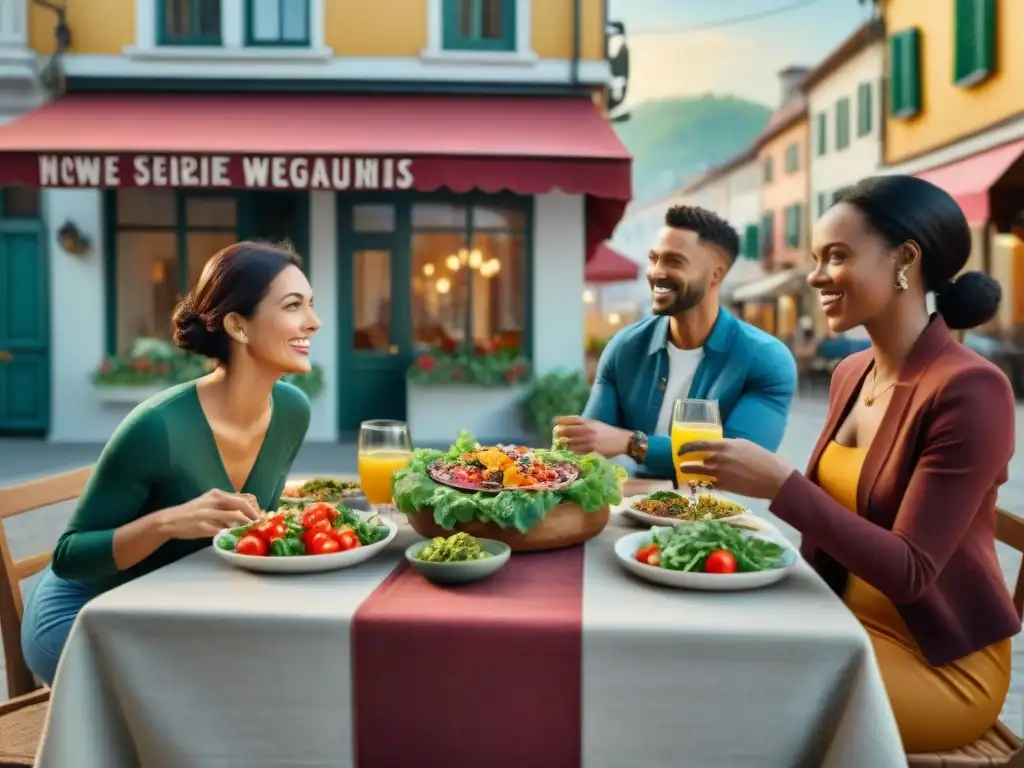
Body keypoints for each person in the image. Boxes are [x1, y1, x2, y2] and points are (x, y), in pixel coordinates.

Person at [677, 175, 1019, 753]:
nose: (815, 276)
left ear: (904, 260)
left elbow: (911, 570)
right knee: (694, 643)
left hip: (936, 663)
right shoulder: (849, 373)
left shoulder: (971, 389)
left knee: (728, 695)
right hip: (838, 625)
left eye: (836, 256)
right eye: (815, 258)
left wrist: (780, 484)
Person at [21, 241, 319, 685]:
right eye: (293, 306)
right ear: (238, 325)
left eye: (310, 305)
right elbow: (68, 558)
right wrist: (166, 523)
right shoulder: (157, 428)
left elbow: (251, 528)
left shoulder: (293, 411)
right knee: (205, 685)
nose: (312, 322)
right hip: (85, 616)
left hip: (169, 603)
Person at [556, 205, 797, 478]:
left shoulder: (766, 358)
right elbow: (590, 447)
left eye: (674, 261)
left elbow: (738, 464)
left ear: (715, 274)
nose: (656, 272)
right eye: (654, 258)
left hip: (717, 514)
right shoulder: (624, 347)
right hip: (635, 508)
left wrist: (632, 443)